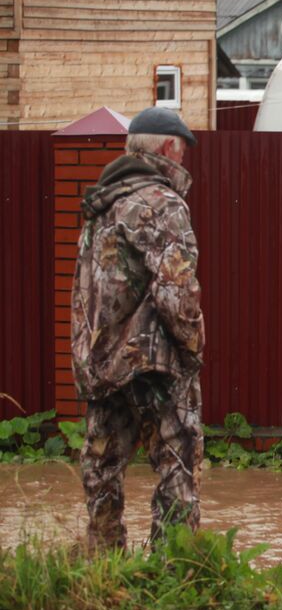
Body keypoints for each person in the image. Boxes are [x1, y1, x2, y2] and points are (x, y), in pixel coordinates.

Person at [71, 107, 205, 549]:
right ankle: (176, 568)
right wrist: (193, 348)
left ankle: (103, 564)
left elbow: (87, 292)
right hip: (154, 362)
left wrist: (87, 358)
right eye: (183, 151)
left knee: (103, 465)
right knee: (177, 460)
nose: (184, 161)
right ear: (169, 148)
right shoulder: (162, 204)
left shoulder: (100, 206)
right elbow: (177, 290)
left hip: (100, 361)